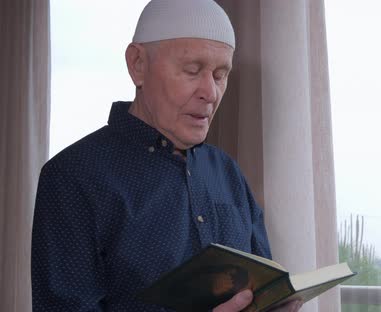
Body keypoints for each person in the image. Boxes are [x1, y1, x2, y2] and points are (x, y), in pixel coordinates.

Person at [31, 1, 301, 311]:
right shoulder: (71, 177)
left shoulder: (228, 173)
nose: (210, 93)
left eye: (220, 74)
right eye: (192, 70)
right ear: (138, 64)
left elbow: (261, 288)